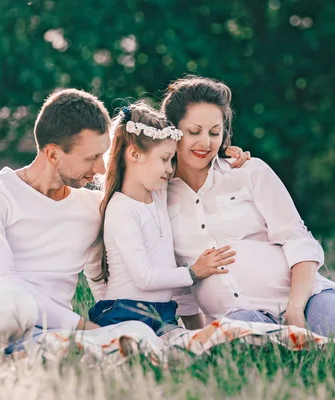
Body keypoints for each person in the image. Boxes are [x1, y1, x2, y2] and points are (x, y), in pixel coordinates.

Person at [0, 87, 250, 350]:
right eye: (91, 157)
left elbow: (99, 275)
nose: (102, 169)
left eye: (103, 155)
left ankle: (16, 351)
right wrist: (80, 326)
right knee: (10, 301)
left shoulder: (93, 207)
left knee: (138, 338)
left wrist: (226, 162)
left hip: (52, 327)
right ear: (52, 153)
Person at [161, 76, 335, 337]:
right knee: (262, 360)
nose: (206, 142)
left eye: (214, 132)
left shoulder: (249, 171)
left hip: (305, 299)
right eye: (194, 131)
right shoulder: (161, 196)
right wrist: (196, 337)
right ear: (173, 130)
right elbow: (181, 282)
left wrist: (295, 308)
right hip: (236, 316)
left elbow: (297, 239)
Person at [85, 103, 235, 336]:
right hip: (126, 312)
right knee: (144, 342)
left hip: (162, 313)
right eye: (165, 159)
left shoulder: (159, 193)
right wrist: (194, 272)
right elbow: (144, 277)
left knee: (192, 342)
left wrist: (227, 154)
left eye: (172, 160)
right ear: (134, 154)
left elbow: (197, 163)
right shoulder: (121, 209)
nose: (169, 169)